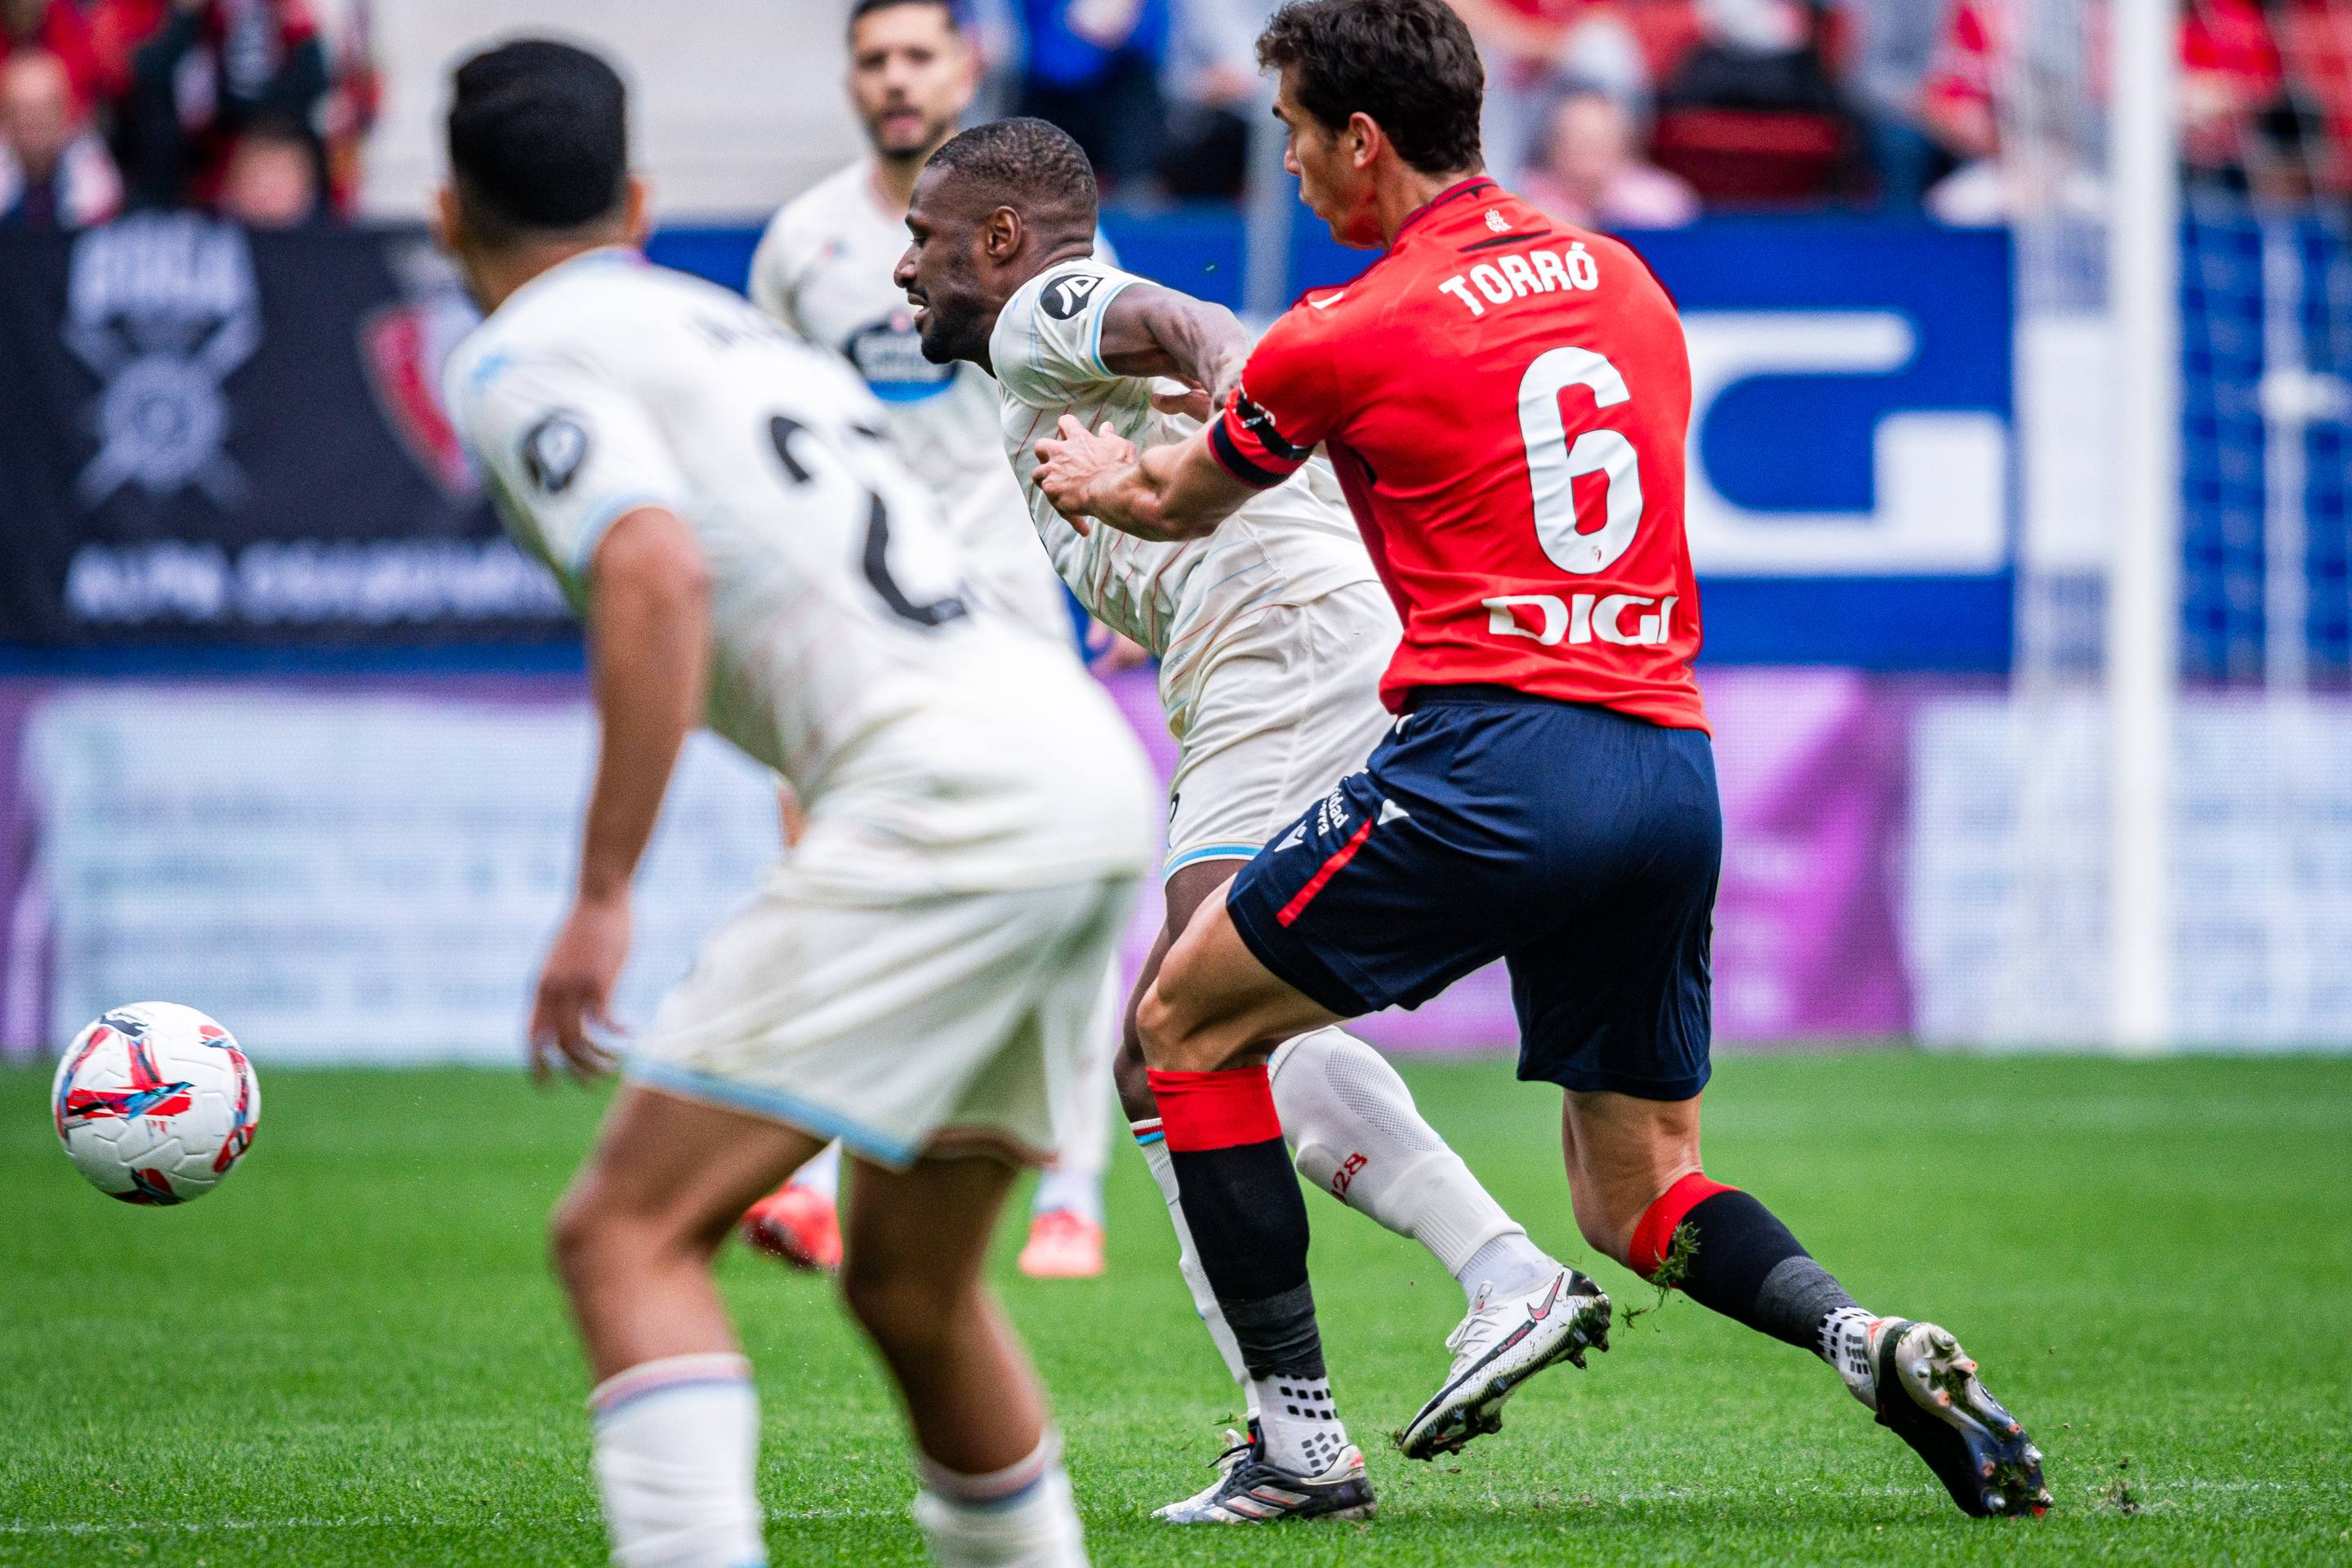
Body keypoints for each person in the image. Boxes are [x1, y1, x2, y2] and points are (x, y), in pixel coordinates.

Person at [1032, 0, 2051, 1521]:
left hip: (1494, 760)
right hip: (1665, 762)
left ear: (1361, 139)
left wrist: (1106, 479)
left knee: (1179, 1031)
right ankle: (1862, 1338)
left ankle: (1298, 1447)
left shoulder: (1346, 327)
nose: (1296, 167)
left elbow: (1185, 501)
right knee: (1635, 1191)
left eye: (1299, 134)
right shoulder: (1624, 279)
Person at [437, 40, 1155, 1568]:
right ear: (637, 202)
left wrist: (604, 891)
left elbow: (653, 568)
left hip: (947, 798)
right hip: (1078, 766)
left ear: (448, 220)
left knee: (621, 1235)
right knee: (909, 1286)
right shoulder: (720, 322)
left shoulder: (517, 357)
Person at [900, 112, 1608, 1523]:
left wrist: (1242, 416)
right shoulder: (1033, 378)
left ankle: (1419, 1343)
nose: (904, 271)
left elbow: (1193, 327)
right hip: (1266, 663)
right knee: (1193, 1042)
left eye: (924, 240)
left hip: (1287, 656)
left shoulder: (1049, 302)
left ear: (996, 237)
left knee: (1181, 1035)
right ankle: (1385, 1364)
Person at [743, 0, 1124, 1283]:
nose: (895, 81)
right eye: (874, 60)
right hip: (859, 596)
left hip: (1013, 578)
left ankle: (1071, 1185)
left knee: (1067, 870)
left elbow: (1112, 403)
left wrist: (1126, 576)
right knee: (827, 858)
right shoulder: (802, 243)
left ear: (966, 68)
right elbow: (770, 431)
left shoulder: (1045, 234)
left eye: (918, 56)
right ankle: (805, 1177)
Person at [1517, 86, 1697, 229]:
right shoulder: (1525, 198)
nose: (1589, 153)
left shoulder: (1662, 199)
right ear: (1553, 147)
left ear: (1624, 146)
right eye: (1579, 141)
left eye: (1600, 142)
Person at [0, 46, 119, 227]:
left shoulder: (90, 165)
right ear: (5, 118)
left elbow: (98, 217)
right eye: (23, 110)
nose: (35, 120)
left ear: (65, 113)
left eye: (46, 107)